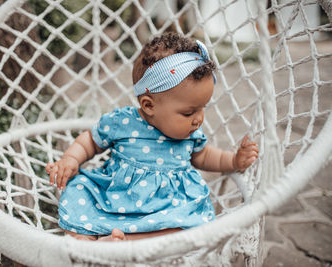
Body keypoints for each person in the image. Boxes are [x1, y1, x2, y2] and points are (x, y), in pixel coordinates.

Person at [45, 32, 258, 241]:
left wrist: (233, 160)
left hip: (169, 207)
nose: (199, 119)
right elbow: (90, 141)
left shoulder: (189, 133)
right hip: (116, 198)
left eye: (202, 108)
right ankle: (87, 240)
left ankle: (127, 242)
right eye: (189, 112)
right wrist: (71, 159)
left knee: (187, 228)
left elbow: (204, 156)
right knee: (78, 189)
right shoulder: (123, 122)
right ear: (148, 105)